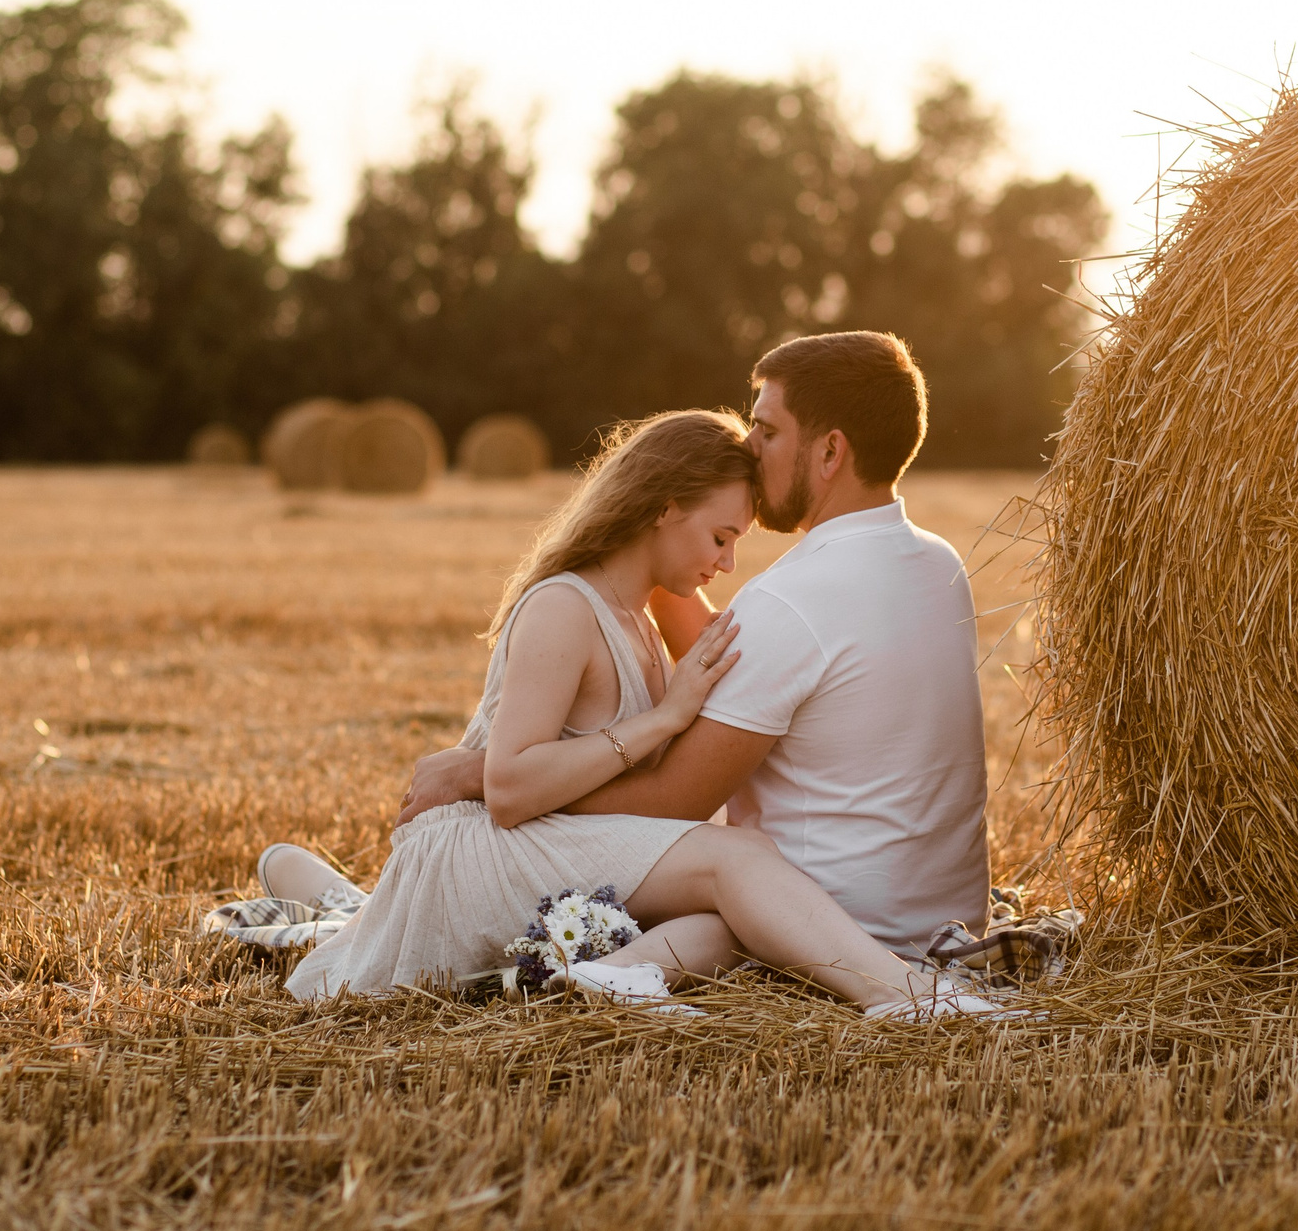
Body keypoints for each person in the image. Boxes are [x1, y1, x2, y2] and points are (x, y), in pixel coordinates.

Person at [263, 407, 1004, 1018]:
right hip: (494, 846)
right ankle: (905, 997)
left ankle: (611, 976)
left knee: (743, 919)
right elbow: (511, 789)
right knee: (740, 857)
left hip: (551, 840)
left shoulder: (651, 607)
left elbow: (742, 657)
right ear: (664, 508)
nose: (727, 564)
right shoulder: (563, 607)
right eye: (721, 537)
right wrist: (658, 721)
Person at [396, 331, 991, 973]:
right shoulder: (940, 564)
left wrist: (478, 775)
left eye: (767, 430)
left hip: (829, 922)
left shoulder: (790, 601)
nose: (750, 445)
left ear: (829, 452)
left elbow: (671, 802)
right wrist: (657, 528)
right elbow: (719, 639)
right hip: (945, 915)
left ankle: (592, 981)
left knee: (702, 903)